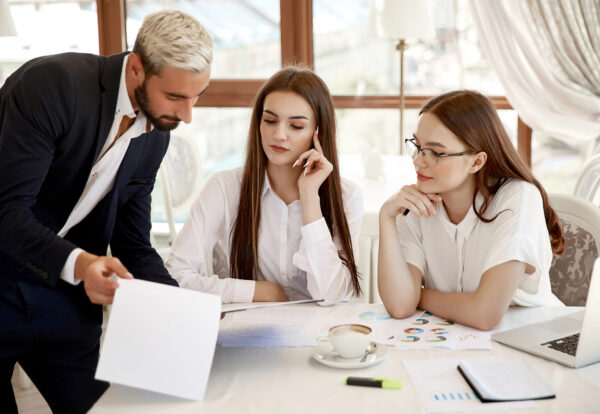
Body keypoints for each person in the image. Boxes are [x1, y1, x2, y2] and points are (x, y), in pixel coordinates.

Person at [0, 10, 212, 412]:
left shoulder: (155, 135)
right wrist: (82, 266)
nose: (187, 114)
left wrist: (185, 317)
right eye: (176, 96)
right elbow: (7, 212)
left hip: (62, 301)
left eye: (197, 96)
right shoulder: (52, 85)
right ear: (136, 68)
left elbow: (133, 245)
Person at [166, 67, 363, 306]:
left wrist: (310, 198)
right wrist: (258, 292)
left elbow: (330, 295)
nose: (279, 135)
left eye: (296, 126)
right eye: (270, 120)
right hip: (247, 333)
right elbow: (175, 276)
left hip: (319, 336)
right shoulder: (224, 188)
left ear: (318, 133)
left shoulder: (347, 196)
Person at [378, 90, 565, 331]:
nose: (418, 161)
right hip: (459, 341)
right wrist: (387, 217)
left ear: (477, 161)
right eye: (418, 146)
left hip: (535, 338)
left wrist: (419, 296)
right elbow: (401, 306)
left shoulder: (518, 197)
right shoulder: (418, 205)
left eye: (435, 152)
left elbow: (484, 314)